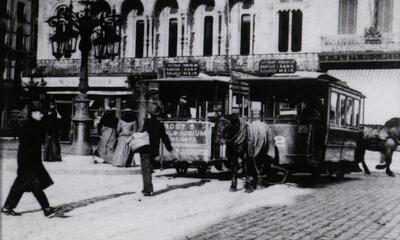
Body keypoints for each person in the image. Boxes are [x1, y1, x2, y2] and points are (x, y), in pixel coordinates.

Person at [1, 101, 60, 217]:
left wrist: (52, 111)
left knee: (21, 184)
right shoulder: (29, 126)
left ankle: (7, 207)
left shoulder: (37, 124)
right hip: (27, 160)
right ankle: (46, 209)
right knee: (33, 183)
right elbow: (27, 146)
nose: (41, 115)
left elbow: (51, 125)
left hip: (31, 159)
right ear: (32, 113)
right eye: (39, 113)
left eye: (42, 113)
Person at [138, 104, 173, 196]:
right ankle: (147, 187)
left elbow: (143, 134)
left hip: (146, 148)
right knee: (149, 168)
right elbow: (164, 137)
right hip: (154, 150)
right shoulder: (160, 125)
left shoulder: (147, 122)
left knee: (145, 169)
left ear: (149, 113)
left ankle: (148, 189)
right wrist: (169, 148)